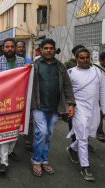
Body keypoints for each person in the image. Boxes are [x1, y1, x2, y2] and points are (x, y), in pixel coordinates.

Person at [30, 38, 76, 177]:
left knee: (48, 135)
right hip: (38, 106)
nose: (49, 50)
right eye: (46, 48)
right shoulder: (34, 65)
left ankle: (44, 160)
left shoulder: (61, 66)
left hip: (55, 107)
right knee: (41, 133)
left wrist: (71, 104)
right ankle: (36, 161)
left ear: (54, 50)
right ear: (41, 50)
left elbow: (67, 86)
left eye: (51, 48)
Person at [66, 48, 105, 182]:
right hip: (79, 109)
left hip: (94, 109)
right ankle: (85, 166)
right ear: (76, 59)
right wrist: (68, 107)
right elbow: (67, 93)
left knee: (90, 134)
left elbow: (103, 92)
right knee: (83, 137)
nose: (85, 60)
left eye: (87, 57)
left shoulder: (97, 72)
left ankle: (72, 148)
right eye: (82, 58)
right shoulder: (71, 73)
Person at [0, 38, 25, 175]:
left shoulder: (22, 61)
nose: (10, 49)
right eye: (7, 47)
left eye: (12, 46)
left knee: (15, 130)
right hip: (3, 102)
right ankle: (4, 162)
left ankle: (10, 152)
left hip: (18, 101)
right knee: (5, 130)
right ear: (3, 48)